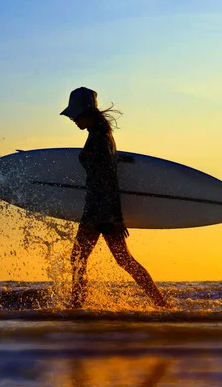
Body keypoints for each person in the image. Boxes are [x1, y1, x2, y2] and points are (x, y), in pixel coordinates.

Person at [60, 87, 169, 309]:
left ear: (86, 111)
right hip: (98, 207)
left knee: (81, 258)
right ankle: (161, 303)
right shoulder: (99, 133)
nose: (73, 119)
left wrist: (117, 218)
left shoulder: (100, 138)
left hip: (100, 209)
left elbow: (109, 179)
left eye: (75, 114)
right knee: (118, 260)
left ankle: (77, 304)